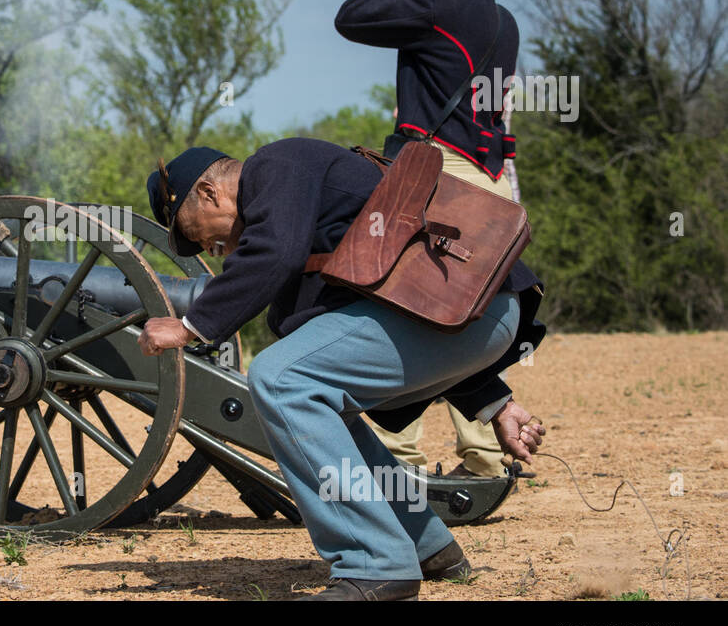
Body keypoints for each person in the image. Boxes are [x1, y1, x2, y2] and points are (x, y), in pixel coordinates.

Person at [139, 141, 546, 600]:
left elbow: (277, 253)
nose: (208, 251)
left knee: (280, 379)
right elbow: (413, 302)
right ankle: (426, 543)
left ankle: (374, 565)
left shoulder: (275, 165)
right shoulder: (297, 212)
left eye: (196, 236)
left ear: (210, 192)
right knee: (317, 395)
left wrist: (191, 325)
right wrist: (495, 402)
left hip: (478, 305)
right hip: (474, 314)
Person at [334, 0, 523, 479]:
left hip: (441, 176)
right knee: (472, 317)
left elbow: (354, 16)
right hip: (491, 181)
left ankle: (401, 457)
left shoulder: (439, 3)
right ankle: (486, 455)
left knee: (400, 307)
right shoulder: (503, 18)